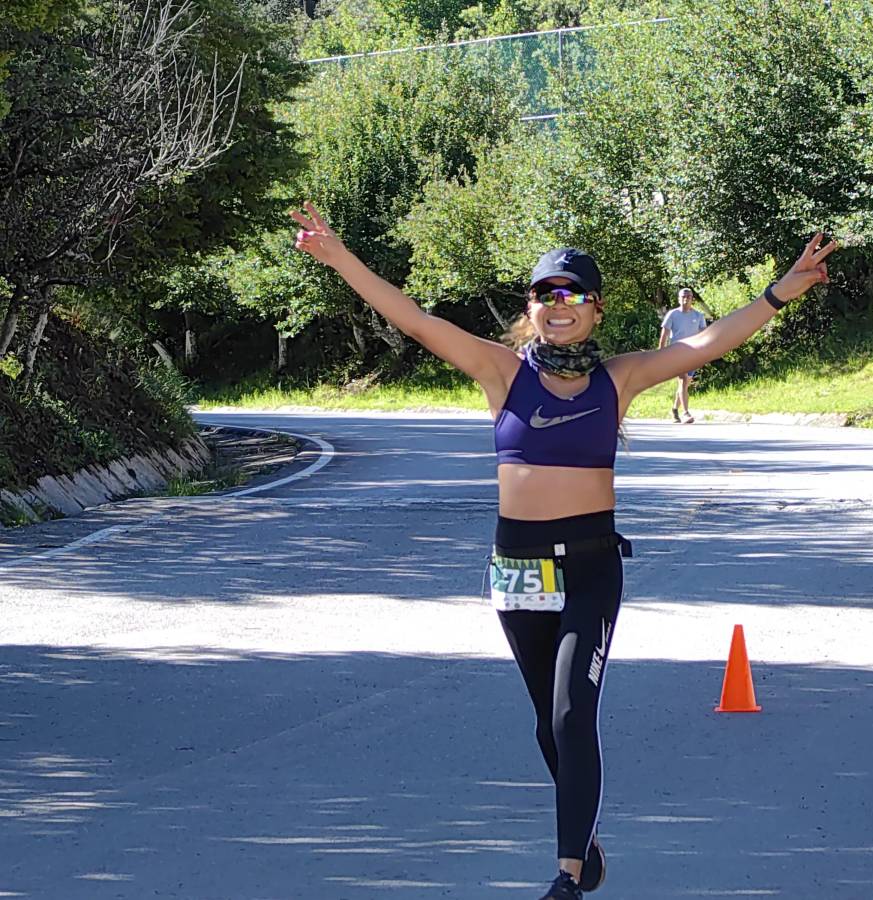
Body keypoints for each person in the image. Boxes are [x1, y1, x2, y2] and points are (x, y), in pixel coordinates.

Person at [290, 201, 836, 899]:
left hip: (589, 567)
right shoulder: (499, 371)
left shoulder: (620, 378)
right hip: (517, 569)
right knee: (550, 726)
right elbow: (415, 319)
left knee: (575, 711)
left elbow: (706, 345)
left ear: (595, 309)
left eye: (571, 294)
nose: (558, 305)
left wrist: (777, 293)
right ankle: (586, 845)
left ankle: (567, 875)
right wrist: (340, 259)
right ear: (531, 307)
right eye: (545, 294)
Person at [657, 288, 708, 423]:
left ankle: (675, 409)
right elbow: (665, 334)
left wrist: (705, 352)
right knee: (683, 380)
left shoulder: (698, 316)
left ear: (692, 299)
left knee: (685, 384)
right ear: (678, 299)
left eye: (688, 297)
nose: (685, 299)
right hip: (676, 353)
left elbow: (704, 335)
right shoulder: (672, 314)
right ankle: (685, 413)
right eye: (683, 297)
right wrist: (660, 354)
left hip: (693, 353)